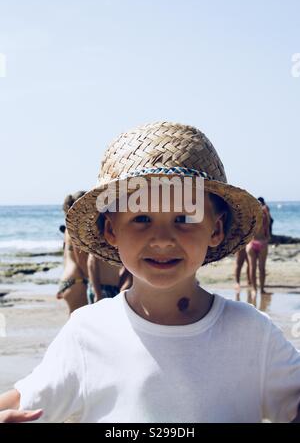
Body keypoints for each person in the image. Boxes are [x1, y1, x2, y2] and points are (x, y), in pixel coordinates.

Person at [1, 122, 299, 423]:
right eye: (141, 218)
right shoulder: (87, 332)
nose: (162, 239)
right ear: (110, 230)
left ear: (216, 229)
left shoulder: (252, 333)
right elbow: (26, 400)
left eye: (183, 217)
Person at [57, 192, 90, 314]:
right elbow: (80, 259)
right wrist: (93, 281)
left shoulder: (67, 228)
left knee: (75, 324)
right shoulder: (77, 228)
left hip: (67, 279)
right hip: (77, 281)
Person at [246, 197, 271, 295]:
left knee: (260, 268)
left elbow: (268, 228)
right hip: (255, 243)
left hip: (259, 242)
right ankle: (256, 289)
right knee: (255, 267)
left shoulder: (261, 215)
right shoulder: (253, 215)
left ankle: (259, 289)